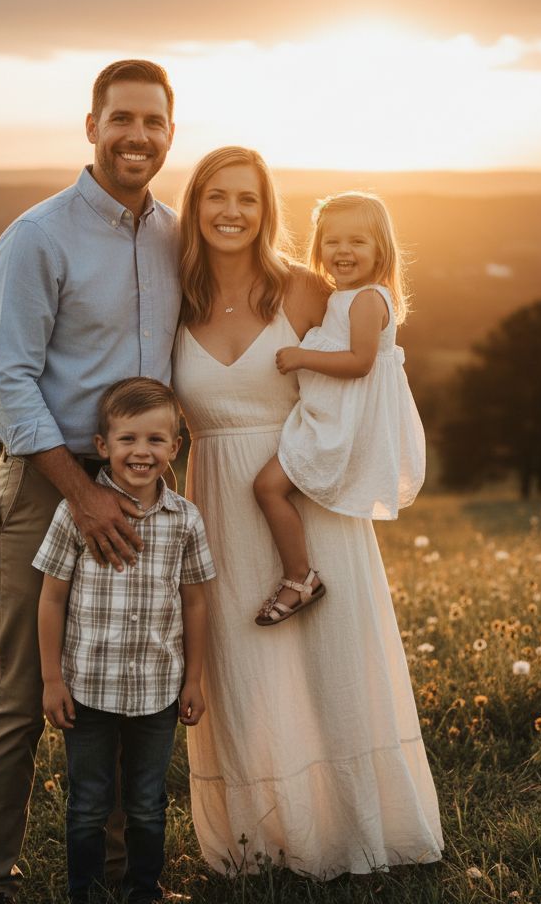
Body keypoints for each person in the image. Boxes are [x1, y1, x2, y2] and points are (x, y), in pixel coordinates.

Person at [171, 146, 444, 877]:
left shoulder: (305, 290)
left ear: (269, 212)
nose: (231, 212)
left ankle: (360, 833)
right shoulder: (174, 295)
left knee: (334, 665)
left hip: (305, 487)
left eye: (248, 199)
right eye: (215, 197)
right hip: (219, 500)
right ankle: (267, 842)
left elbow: (366, 375)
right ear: (194, 208)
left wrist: (344, 470)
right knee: (247, 670)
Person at [0, 60, 181, 904]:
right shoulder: (37, 236)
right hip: (48, 484)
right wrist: (82, 492)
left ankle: (127, 884)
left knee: (128, 688)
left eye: (154, 123)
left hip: (144, 490)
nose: (138, 137)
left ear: (170, 133)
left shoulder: (175, 235)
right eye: (122, 119)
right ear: (90, 126)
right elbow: (6, 381)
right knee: (21, 691)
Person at [34, 377, 215, 904]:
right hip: (88, 689)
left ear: (175, 448)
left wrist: (194, 680)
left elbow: (196, 602)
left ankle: (144, 891)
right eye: (128, 439)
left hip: (158, 692)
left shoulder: (185, 519)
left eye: (156, 440)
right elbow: (51, 599)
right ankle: (84, 893)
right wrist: (51, 679)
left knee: (147, 802)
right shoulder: (76, 512)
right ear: (102, 447)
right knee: (89, 802)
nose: (142, 451)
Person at [251, 191, 426, 625]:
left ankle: (299, 579)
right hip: (329, 416)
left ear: (380, 249)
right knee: (270, 487)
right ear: (318, 246)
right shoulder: (343, 296)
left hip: (342, 424)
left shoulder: (368, 299)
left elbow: (360, 363)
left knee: (267, 487)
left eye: (357, 242)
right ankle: (299, 574)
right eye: (332, 241)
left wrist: (301, 356)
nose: (343, 251)